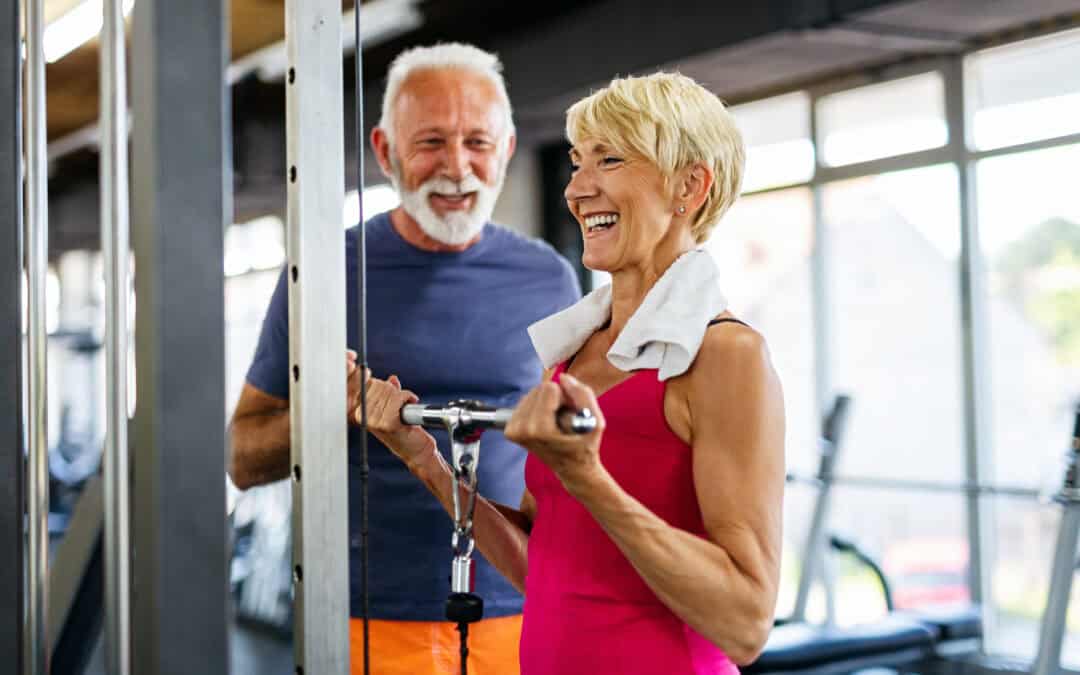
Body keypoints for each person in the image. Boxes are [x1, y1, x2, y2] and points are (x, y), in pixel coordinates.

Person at [362, 71, 785, 675]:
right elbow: (545, 564)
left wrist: (588, 476)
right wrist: (423, 458)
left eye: (608, 160)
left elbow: (746, 623)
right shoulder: (573, 353)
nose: (577, 189)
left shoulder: (725, 355)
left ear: (689, 186)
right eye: (577, 163)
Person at [227, 43, 581, 675]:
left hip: (526, 604)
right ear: (386, 151)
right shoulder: (324, 273)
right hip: (365, 612)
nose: (457, 167)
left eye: (477, 142)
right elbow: (243, 460)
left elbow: (575, 449)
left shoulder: (550, 277)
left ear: (504, 149)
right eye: (431, 143)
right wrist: (327, 411)